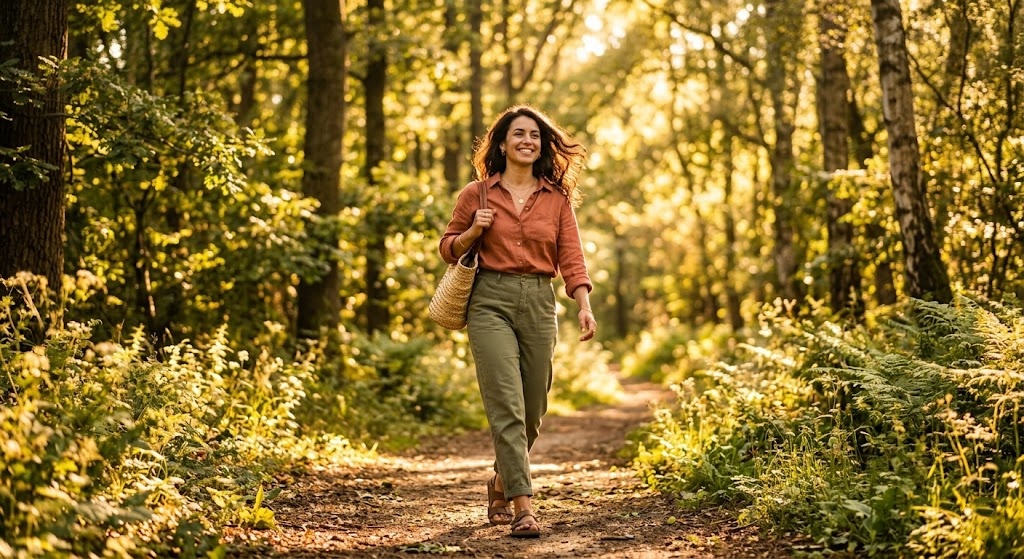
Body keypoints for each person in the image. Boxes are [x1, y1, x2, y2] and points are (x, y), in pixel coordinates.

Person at [438, 105, 598, 538]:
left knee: (532, 410)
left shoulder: (557, 199)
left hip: (540, 303)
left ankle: (499, 479)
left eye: (534, 135)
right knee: (506, 405)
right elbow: (448, 247)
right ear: (503, 143)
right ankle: (523, 505)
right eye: (518, 134)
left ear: (542, 145)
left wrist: (583, 304)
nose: (527, 140)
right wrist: (473, 231)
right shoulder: (477, 194)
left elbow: (572, 256)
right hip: (489, 300)